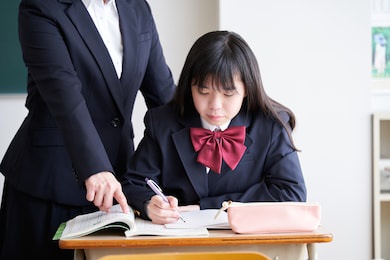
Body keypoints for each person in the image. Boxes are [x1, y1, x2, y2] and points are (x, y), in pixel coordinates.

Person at [0, 0, 175, 259]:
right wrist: (95, 166)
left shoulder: (137, 8)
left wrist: (194, 162)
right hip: (50, 185)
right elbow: (64, 94)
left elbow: (163, 97)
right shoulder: (41, 7)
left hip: (117, 186)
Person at [122, 30, 306, 224]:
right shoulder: (162, 123)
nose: (215, 105)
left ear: (246, 89)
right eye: (203, 91)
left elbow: (291, 193)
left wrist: (209, 206)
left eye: (228, 94)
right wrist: (150, 205)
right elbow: (134, 182)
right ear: (189, 86)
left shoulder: (270, 126)